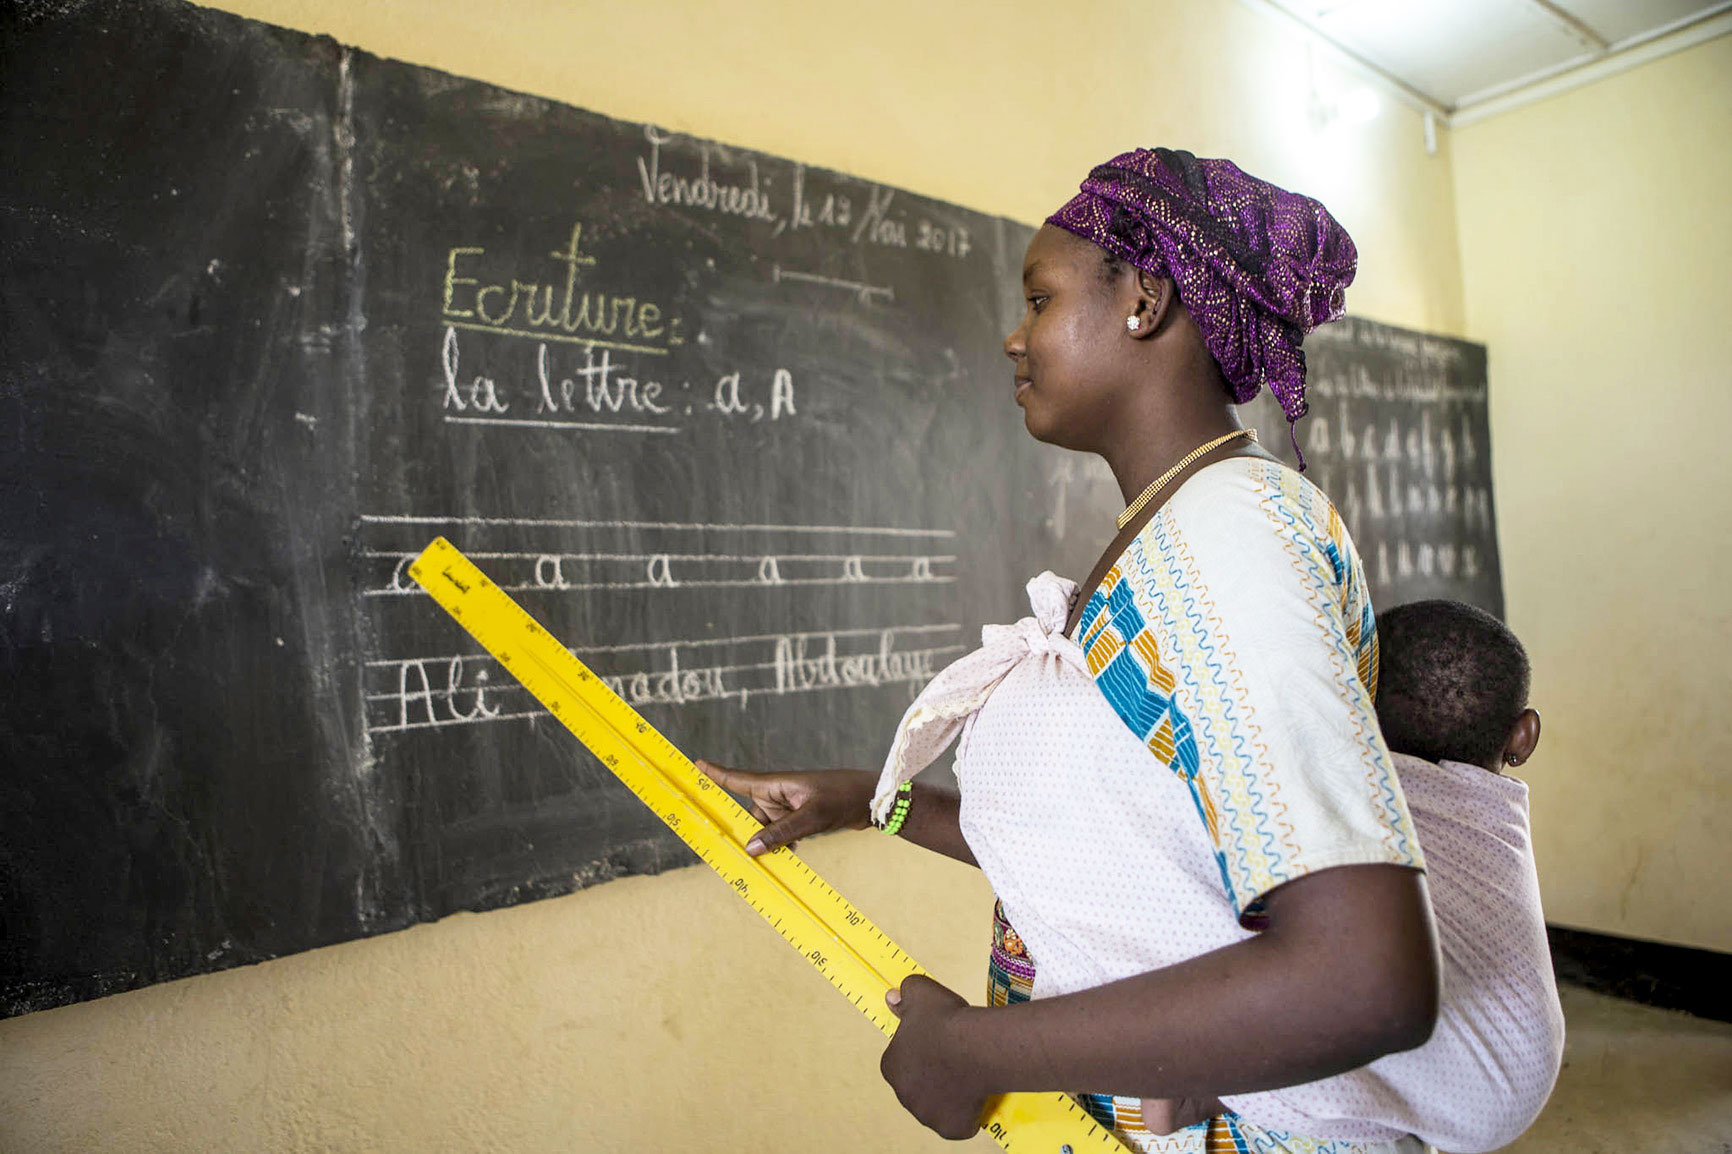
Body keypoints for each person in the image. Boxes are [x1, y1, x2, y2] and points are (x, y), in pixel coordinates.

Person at [701, 148, 1438, 1153]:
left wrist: (973, 1052)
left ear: (1140, 301)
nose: (1014, 337)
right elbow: (1141, 847)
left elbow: (1362, 979)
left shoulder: (1230, 538)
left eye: (1039, 299)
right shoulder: (1178, 525)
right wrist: (871, 800)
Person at [1136, 598, 1564, 1148]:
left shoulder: (1332, 774)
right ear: (1523, 736)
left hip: (1440, 1059)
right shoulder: (1492, 823)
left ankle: (1216, 1087)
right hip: (1507, 1086)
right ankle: (1219, 1091)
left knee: (1317, 997)